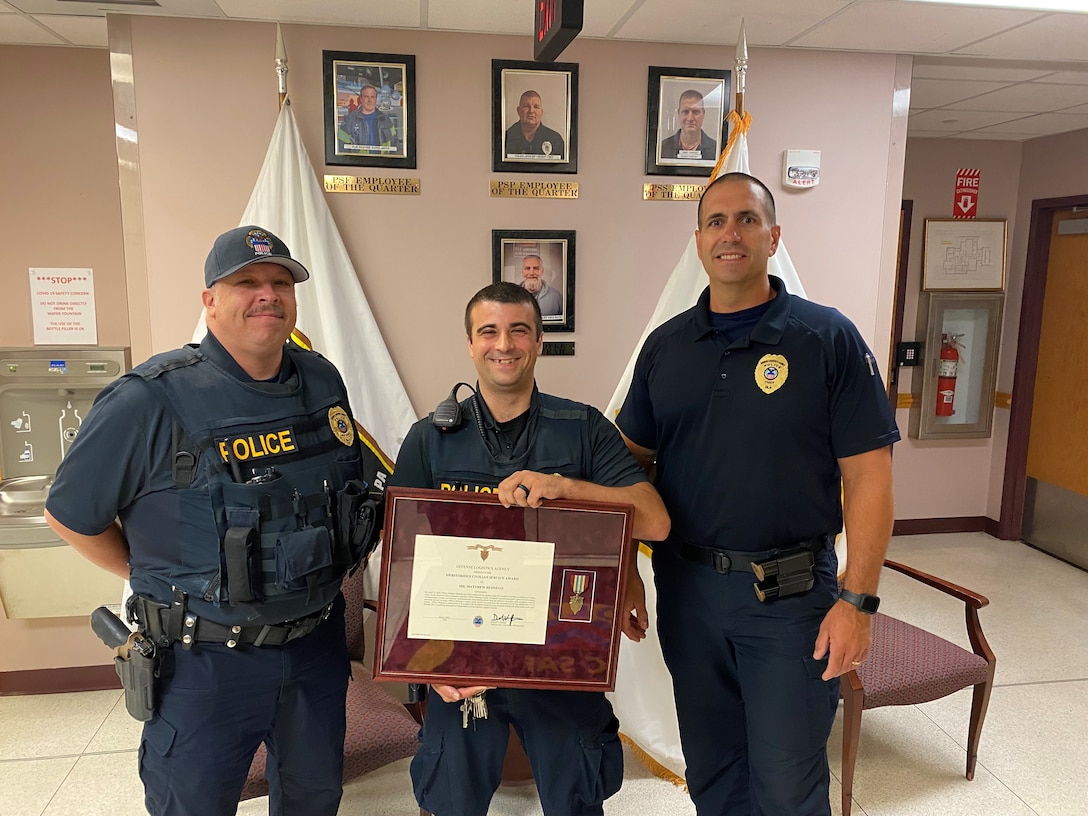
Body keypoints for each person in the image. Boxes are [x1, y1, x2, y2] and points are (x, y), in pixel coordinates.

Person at [44, 225, 378, 816]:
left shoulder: (322, 381)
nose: (266, 294)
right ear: (210, 301)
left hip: (314, 652)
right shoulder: (147, 398)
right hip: (203, 664)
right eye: (246, 282)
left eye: (280, 282)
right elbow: (70, 515)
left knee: (315, 799)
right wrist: (147, 576)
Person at [617, 172, 899, 815]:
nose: (730, 234)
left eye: (746, 219)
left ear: (775, 235)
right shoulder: (665, 348)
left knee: (787, 785)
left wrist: (858, 600)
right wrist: (623, 573)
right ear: (697, 242)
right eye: (715, 222)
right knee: (714, 773)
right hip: (689, 596)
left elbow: (869, 477)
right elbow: (627, 469)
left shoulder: (827, 339)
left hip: (791, 600)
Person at [389, 282, 670, 816]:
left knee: (576, 798)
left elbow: (654, 520)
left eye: (520, 330)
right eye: (488, 331)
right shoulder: (431, 438)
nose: (505, 343)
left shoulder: (582, 428)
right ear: (470, 344)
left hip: (560, 654)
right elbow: (403, 557)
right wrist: (425, 668)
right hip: (462, 662)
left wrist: (568, 488)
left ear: (540, 341)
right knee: (450, 799)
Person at [339, 83, 401, 154]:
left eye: (372, 97)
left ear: (376, 99)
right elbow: (342, 148)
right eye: (366, 97)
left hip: (382, 163)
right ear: (361, 99)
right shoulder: (349, 120)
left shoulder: (386, 120)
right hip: (358, 163)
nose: (370, 100)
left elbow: (395, 145)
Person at [504, 90, 565, 159]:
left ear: (541, 112)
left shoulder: (555, 140)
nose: (531, 111)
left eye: (536, 107)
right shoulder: (505, 138)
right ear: (518, 111)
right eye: (526, 106)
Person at [658, 89, 717, 161]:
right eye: (685, 112)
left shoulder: (716, 150)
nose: (690, 118)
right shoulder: (663, 148)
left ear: (703, 114)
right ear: (678, 113)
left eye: (695, 112)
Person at [517, 254, 562, 318]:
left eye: (536, 268)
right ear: (522, 271)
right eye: (527, 268)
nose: (531, 273)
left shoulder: (556, 297)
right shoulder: (513, 296)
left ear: (542, 271)